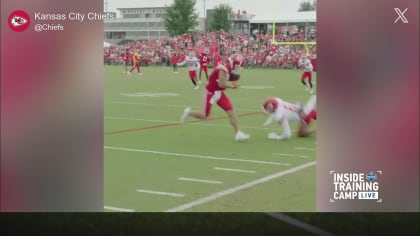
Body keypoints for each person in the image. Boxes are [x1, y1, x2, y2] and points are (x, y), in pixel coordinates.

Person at [180, 54, 250, 141]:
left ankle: (238, 133)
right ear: (234, 63)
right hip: (210, 92)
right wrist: (232, 86)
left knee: (231, 111)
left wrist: (233, 79)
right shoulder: (223, 68)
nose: (239, 68)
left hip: (219, 92)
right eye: (238, 66)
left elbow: (224, 80)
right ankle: (189, 113)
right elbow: (221, 83)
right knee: (204, 115)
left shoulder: (228, 67)